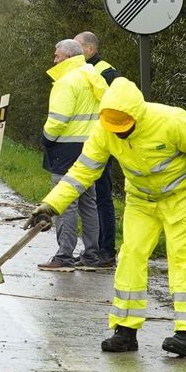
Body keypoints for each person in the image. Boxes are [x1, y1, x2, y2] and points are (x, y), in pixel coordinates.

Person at [24, 76, 186, 358]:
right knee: (130, 256)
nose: (120, 133)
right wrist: (50, 206)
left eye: (125, 127)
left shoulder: (172, 121)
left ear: (138, 114)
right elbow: (83, 172)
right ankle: (125, 330)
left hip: (181, 197)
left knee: (181, 256)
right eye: (114, 128)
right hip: (141, 200)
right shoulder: (104, 129)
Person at [39, 39, 106, 272]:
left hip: (66, 148)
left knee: (65, 202)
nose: (54, 60)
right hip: (92, 147)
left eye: (57, 56)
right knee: (88, 202)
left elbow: (58, 119)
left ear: (67, 58)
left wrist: (46, 138)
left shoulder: (67, 81)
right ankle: (91, 254)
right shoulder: (92, 75)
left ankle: (64, 255)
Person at [75, 30, 120, 269]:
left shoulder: (105, 71)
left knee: (101, 197)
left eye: (77, 47)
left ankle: (106, 250)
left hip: (102, 143)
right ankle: (93, 249)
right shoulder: (86, 70)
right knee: (90, 199)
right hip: (89, 142)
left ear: (90, 49)